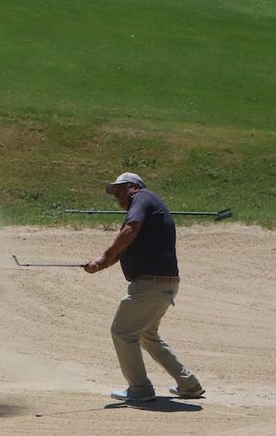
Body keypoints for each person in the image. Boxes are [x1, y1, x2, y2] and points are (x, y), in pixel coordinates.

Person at [83, 172, 204, 403]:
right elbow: (124, 248)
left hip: (150, 285)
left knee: (122, 332)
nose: (115, 195)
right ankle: (189, 384)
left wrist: (103, 257)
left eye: (118, 189)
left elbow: (129, 232)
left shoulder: (142, 199)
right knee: (147, 335)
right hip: (163, 284)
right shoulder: (145, 205)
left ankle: (139, 389)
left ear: (132, 186)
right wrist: (99, 264)